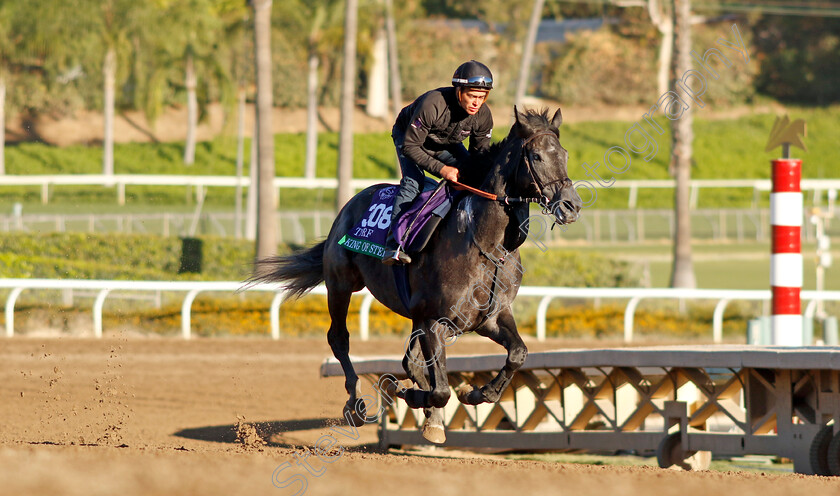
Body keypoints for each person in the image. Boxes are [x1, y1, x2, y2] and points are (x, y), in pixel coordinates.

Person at [382, 60, 495, 265]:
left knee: (473, 177)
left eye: (481, 97)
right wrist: (442, 169)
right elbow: (411, 146)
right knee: (413, 183)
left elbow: (480, 158)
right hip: (410, 138)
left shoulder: (483, 116)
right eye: (471, 96)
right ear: (459, 91)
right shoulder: (432, 104)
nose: (476, 103)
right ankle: (393, 245)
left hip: (445, 141)